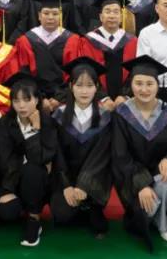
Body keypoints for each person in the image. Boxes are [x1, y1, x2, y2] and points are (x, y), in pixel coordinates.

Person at [111, 56, 167, 251]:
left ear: (158, 85)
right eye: (138, 83)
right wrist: (141, 184)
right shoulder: (122, 114)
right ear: (131, 85)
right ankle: (148, 215)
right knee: (141, 217)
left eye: (150, 84)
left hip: (160, 175)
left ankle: (163, 221)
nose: (144, 89)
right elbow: (120, 155)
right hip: (132, 179)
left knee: (165, 184)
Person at [49, 58, 113, 239]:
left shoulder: (106, 117)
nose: (84, 91)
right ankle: (81, 207)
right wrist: (67, 186)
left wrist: (84, 185)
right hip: (67, 177)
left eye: (90, 85)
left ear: (97, 88)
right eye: (79, 85)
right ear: (71, 87)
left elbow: (101, 155)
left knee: (96, 221)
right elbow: (58, 154)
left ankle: (93, 205)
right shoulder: (59, 116)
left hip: (95, 177)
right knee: (62, 215)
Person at [0, 74, 58, 247]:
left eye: (27, 99)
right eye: (16, 101)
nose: (21, 105)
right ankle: (23, 207)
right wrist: (32, 161)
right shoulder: (4, 124)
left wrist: (36, 129)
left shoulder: (48, 123)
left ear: (37, 100)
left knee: (33, 170)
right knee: (7, 211)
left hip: (40, 183)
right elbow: (5, 161)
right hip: (12, 180)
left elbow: (46, 157)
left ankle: (34, 219)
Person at [14, 0, 83, 111]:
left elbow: (75, 73)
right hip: (34, 98)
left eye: (55, 14)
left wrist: (60, 98)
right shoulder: (26, 40)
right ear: (39, 16)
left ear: (61, 16)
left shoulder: (72, 40)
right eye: (46, 13)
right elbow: (24, 74)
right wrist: (40, 98)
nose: (50, 17)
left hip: (66, 98)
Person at [75, 0, 137, 109]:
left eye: (116, 12)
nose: (112, 16)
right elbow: (86, 70)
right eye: (107, 11)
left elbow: (135, 70)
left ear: (121, 17)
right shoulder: (88, 41)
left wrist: (125, 95)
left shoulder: (132, 41)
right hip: (97, 101)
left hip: (125, 101)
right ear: (101, 17)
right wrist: (102, 97)